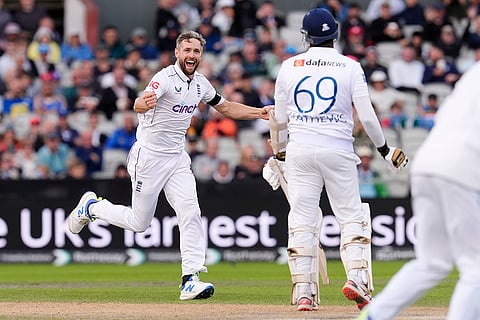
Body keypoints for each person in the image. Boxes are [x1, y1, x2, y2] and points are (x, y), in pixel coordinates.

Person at [67, 31, 271, 301]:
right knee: (139, 223)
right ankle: (92, 207)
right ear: (177, 52)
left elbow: (227, 107)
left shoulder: (200, 84)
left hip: (177, 158)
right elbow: (141, 101)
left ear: (201, 55)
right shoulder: (163, 78)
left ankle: (191, 278)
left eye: (196, 51)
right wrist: (142, 104)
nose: (191, 55)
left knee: (190, 211)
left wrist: (259, 112)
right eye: (187, 50)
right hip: (148, 157)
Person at [261, 8, 408, 311]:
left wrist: (280, 155)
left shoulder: (288, 66)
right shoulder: (350, 66)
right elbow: (366, 115)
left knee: (302, 220)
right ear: (336, 34)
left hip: (300, 150)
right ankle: (356, 279)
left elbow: (279, 118)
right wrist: (384, 150)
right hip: (338, 149)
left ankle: (304, 291)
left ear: (306, 36)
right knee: (352, 217)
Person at [356, 61, 480, 320]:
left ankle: (373, 316)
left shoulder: (472, 74)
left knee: (432, 263)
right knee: (475, 269)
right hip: (460, 168)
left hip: (427, 162)